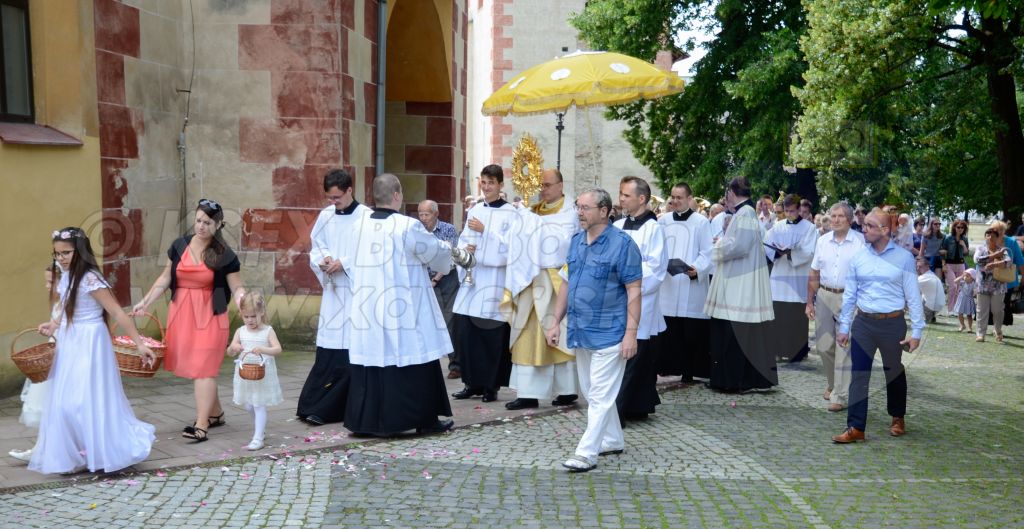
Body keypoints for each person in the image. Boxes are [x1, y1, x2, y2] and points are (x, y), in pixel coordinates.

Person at [31, 228, 156, 474]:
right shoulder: (65, 276)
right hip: (70, 340)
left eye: (66, 253)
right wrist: (54, 325)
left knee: (85, 400)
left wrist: (140, 344)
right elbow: (68, 308)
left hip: (90, 341)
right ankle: (76, 454)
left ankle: (103, 450)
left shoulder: (90, 279)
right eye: (57, 254)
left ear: (81, 251)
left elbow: (118, 312)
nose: (61, 258)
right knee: (65, 402)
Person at [343, 174, 455, 436]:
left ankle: (365, 422)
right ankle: (424, 419)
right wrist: (448, 250)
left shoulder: (358, 225)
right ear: (396, 195)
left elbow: (349, 261)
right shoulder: (407, 226)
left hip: (368, 304)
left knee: (372, 359)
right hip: (402, 307)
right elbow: (434, 253)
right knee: (415, 353)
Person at [545, 188, 642, 472]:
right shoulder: (575, 241)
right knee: (592, 392)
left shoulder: (623, 245)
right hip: (581, 330)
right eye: (578, 207)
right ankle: (612, 439)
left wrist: (630, 333)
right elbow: (566, 283)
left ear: (604, 211)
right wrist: (554, 321)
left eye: (585, 208)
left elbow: (634, 291)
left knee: (599, 394)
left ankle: (586, 452)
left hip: (611, 331)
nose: (579, 212)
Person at [134, 199, 245, 442]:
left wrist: (243, 301)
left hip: (211, 315)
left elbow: (236, 287)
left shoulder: (225, 254)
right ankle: (215, 413)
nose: (201, 226)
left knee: (204, 367)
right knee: (200, 368)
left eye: (207, 222)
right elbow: (164, 279)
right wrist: (146, 302)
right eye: (198, 221)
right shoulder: (179, 246)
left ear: (218, 225)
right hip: (182, 313)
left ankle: (202, 424)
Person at [832, 209, 924, 443]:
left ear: (885, 230)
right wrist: (844, 327)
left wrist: (916, 332)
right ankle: (855, 427)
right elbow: (850, 296)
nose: (864, 229)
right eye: (864, 225)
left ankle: (897, 416)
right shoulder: (858, 258)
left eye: (870, 226)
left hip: (892, 324)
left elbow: (913, 297)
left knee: (893, 371)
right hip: (863, 323)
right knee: (858, 374)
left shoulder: (904, 258)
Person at [502, 168, 580, 410]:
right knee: (527, 336)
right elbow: (514, 241)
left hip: (556, 281)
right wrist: (523, 221)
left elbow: (560, 242)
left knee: (560, 336)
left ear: (560, 185)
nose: (542, 190)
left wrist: (531, 225)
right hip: (529, 279)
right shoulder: (532, 212)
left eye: (547, 185)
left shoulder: (571, 213)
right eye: (541, 186)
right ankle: (528, 393)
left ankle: (567, 391)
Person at [297, 169, 371, 426]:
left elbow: (371, 253)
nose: (333, 202)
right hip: (333, 292)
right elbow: (317, 244)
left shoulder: (367, 217)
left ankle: (334, 409)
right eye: (329, 197)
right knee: (329, 350)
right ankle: (314, 404)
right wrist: (324, 259)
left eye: (337, 197)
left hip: (355, 294)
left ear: (350, 190)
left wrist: (345, 263)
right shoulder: (326, 215)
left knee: (350, 351)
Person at [704, 177, 777, 392]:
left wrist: (717, 246)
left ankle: (732, 380)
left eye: (726, 193)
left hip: (740, 282)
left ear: (731, 193)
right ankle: (726, 378)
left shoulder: (745, 213)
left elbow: (740, 247)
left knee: (733, 332)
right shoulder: (744, 213)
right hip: (737, 278)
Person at [451, 164, 517, 403]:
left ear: (500, 185)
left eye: (491, 182)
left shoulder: (511, 213)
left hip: (494, 284)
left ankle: (491, 386)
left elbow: (511, 249)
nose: (487, 187)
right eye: (484, 182)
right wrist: (465, 251)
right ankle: (471, 383)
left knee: (491, 337)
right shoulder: (475, 209)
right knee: (468, 335)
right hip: (474, 280)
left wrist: (486, 230)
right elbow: (465, 239)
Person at [612, 176, 667, 421]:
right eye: (621, 194)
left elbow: (656, 269)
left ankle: (618, 412)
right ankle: (637, 405)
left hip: (641, 300)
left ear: (641, 199)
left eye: (626, 195)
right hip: (615, 299)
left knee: (634, 357)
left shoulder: (654, 229)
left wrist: (629, 279)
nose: (621, 199)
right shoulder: (617, 225)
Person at [806, 202, 865, 413]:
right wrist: (809, 301)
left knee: (843, 346)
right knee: (823, 346)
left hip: (849, 297)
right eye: (833, 216)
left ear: (849, 219)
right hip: (824, 294)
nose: (836, 220)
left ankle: (839, 395)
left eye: (840, 216)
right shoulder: (822, 241)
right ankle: (832, 383)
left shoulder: (859, 242)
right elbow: (814, 271)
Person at [657, 183, 713, 383]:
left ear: (690, 198)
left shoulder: (701, 222)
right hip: (669, 283)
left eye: (679, 197)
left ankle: (689, 370)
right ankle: (668, 366)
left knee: (690, 331)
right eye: (672, 197)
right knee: (669, 327)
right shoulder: (662, 222)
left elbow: (707, 252)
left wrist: (696, 269)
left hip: (691, 282)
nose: (674, 201)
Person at [9, 267, 58, 463]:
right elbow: (57, 323)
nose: (46, 287)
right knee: (49, 405)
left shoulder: (71, 302)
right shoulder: (59, 302)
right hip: (53, 353)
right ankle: (41, 448)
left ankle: (46, 449)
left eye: (50, 282)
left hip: (64, 357)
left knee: (55, 406)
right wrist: (50, 326)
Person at [764, 194, 818, 363]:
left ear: (799, 209)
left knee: (796, 316)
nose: (789, 214)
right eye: (786, 211)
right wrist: (776, 252)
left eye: (792, 211)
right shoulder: (777, 226)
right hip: (779, 275)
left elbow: (809, 251)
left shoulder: (809, 228)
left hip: (798, 277)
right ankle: (778, 351)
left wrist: (791, 253)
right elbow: (767, 244)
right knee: (779, 315)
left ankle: (797, 352)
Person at [227, 292, 283, 451]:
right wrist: (234, 348)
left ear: (262, 313)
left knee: (259, 405)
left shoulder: (268, 331)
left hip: (262, 374)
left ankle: (258, 438)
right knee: (249, 406)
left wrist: (264, 349)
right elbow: (230, 352)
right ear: (241, 315)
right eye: (246, 316)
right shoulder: (240, 331)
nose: (250, 320)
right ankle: (261, 428)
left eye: (253, 316)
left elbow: (278, 349)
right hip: (245, 374)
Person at [418, 199, 461, 379]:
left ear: (435, 214)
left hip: (445, 279)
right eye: (420, 214)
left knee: (449, 320)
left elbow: (451, 257)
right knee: (425, 322)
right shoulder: (416, 230)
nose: (422, 218)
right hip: (423, 280)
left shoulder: (448, 229)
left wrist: (435, 279)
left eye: (426, 214)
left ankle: (456, 365)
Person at [975, 225, 1012, 343]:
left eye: (993, 235)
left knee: (997, 310)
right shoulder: (980, 249)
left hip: (998, 286)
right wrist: (995, 256)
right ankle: (981, 334)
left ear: (997, 238)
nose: (990, 237)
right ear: (985, 237)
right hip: (982, 285)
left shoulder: (1002, 250)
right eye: (988, 235)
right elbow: (978, 260)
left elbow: (1008, 262)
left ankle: (998, 330)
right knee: (981, 310)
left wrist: (995, 264)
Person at [917, 258, 946, 324]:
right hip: (938, 305)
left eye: (920, 266)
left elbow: (910, 288)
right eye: (917, 266)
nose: (918, 268)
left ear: (927, 266)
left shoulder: (925, 277)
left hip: (932, 305)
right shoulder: (931, 275)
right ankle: (930, 316)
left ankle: (928, 317)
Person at [953, 269, 977, 333]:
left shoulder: (973, 283)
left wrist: (975, 293)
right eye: (965, 276)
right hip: (961, 299)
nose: (965, 277)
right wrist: (961, 276)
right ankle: (962, 325)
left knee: (969, 315)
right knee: (960, 313)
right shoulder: (963, 282)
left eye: (967, 276)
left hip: (969, 300)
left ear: (972, 277)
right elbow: (955, 281)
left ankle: (970, 327)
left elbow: (975, 290)